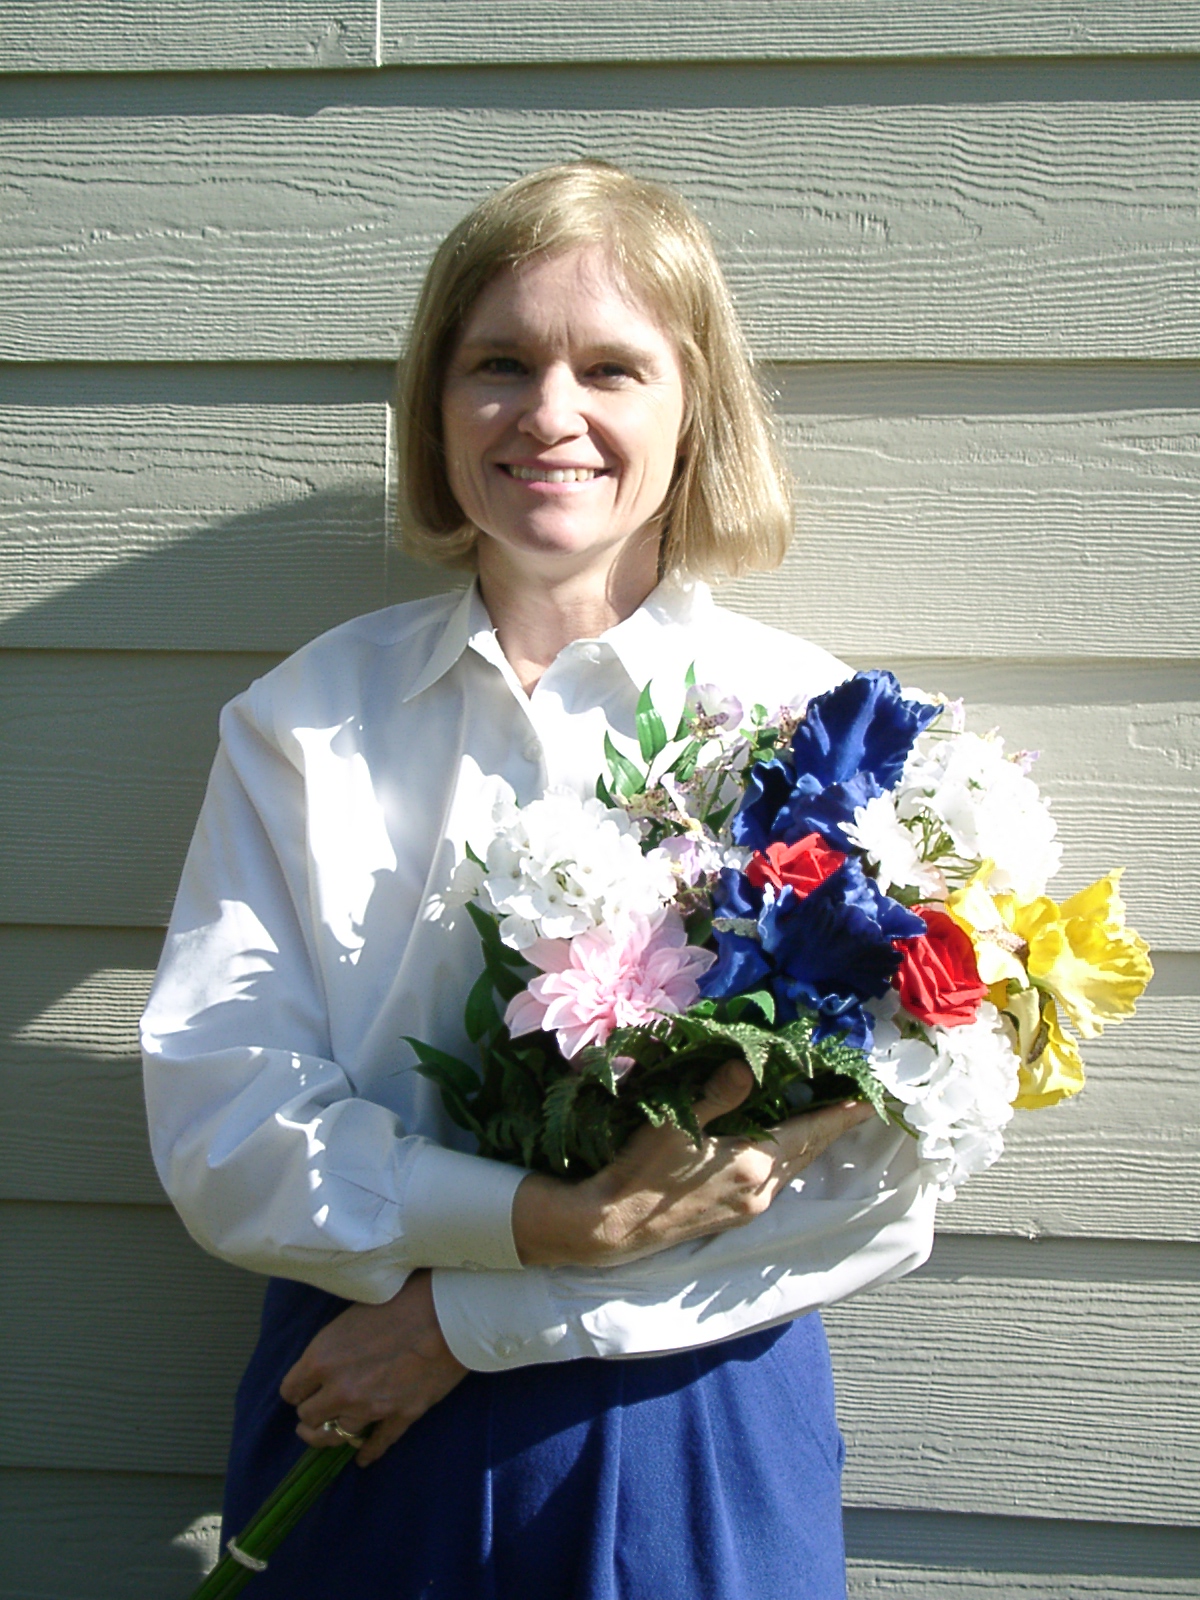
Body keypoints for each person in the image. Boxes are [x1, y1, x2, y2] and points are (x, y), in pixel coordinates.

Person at [142, 160, 936, 1600]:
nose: (549, 412)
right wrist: (532, 1227)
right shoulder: (306, 722)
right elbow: (225, 1121)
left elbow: (869, 1180)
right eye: (499, 363)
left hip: (687, 1408)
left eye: (612, 368)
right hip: (359, 1412)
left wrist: (472, 1320)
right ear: (437, 405)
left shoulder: (813, 733)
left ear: (695, 409)